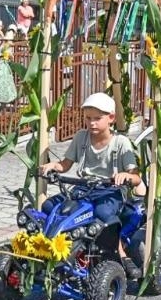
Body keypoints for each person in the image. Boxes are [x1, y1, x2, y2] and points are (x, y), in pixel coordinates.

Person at [40, 92, 143, 222]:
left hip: (110, 191)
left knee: (103, 213)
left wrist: (126, 176)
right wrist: (53, 166)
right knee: (49, 206)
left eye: (97, 118)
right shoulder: (81, 137)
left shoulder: (120, 142)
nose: (92, 123)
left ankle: (117, 241)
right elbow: (65, 165)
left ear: (111, 118)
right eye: (88, 118)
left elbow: (136, 178)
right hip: (84, 187)